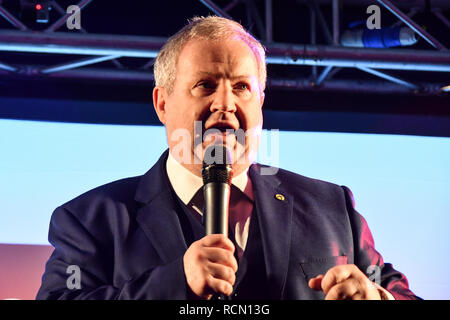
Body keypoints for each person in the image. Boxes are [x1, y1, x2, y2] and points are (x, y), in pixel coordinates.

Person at [37, 16, 419, 300]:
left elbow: (398, 294)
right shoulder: (91, 220)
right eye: (205, 85)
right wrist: (175, 284)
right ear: (162, 103)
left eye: (241, 87)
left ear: (261, 102)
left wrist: (378, 297)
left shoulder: (331, 207)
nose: (225, 104)